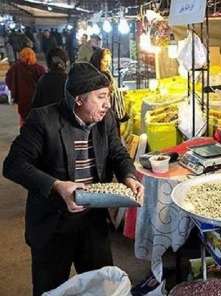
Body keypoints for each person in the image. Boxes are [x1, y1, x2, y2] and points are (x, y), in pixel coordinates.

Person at [3, 62, 144, 296]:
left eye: (107, 96)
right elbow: (13, 165)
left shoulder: (105, 120)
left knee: (103, 286)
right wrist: (57, 186)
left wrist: (129, 177)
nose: (107, 104)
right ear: (79, 99)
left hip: (92, 222)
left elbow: (118, 153)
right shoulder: (43, 120)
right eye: (100, 97)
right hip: (53, 224)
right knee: (50, 289)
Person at [5, 47, 46, 126]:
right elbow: (45, 84)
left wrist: (14, 90)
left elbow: (8, 79)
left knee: (23, 119)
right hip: (36, 100)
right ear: (33, 56)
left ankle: (24, 134)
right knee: (37, 120)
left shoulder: (15, 68)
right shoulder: (39, 69)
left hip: (22, 98)